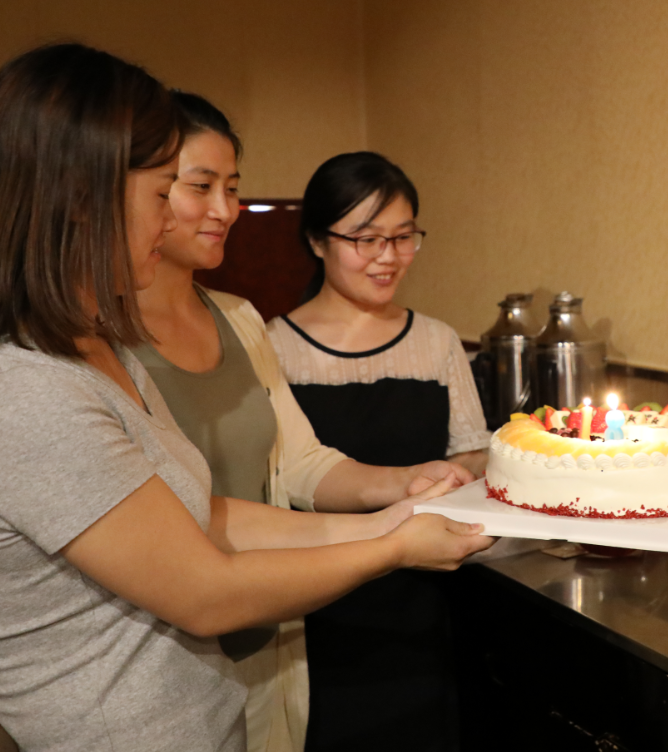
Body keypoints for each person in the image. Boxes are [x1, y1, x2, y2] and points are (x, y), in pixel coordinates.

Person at [0, 43, 493, 752]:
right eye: (164, 193)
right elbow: (204, 592)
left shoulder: (94, 344)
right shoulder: (18, 388)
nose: (181, 219)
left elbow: (197, 514)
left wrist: (393, 517)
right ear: (83, 198)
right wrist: (392, 549)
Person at [133, 93, 477, 752]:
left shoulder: (237, 320)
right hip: (160, 659)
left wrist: (404, 486)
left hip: (273, 634)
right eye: (200, 186)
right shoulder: (90, 341)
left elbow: (301, 464)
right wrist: (389, 539)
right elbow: (182, 524)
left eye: (233, 188)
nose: (226, 210)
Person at [265, 153, 490, 751]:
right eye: (366, 239)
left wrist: (480, 468)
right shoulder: (272, 346)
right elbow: (279, 482)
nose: (388, 257)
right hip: (316, 606)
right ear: (317, 240)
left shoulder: (437, 341)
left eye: (403, 237)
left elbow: (471, 454)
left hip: (425, 595)